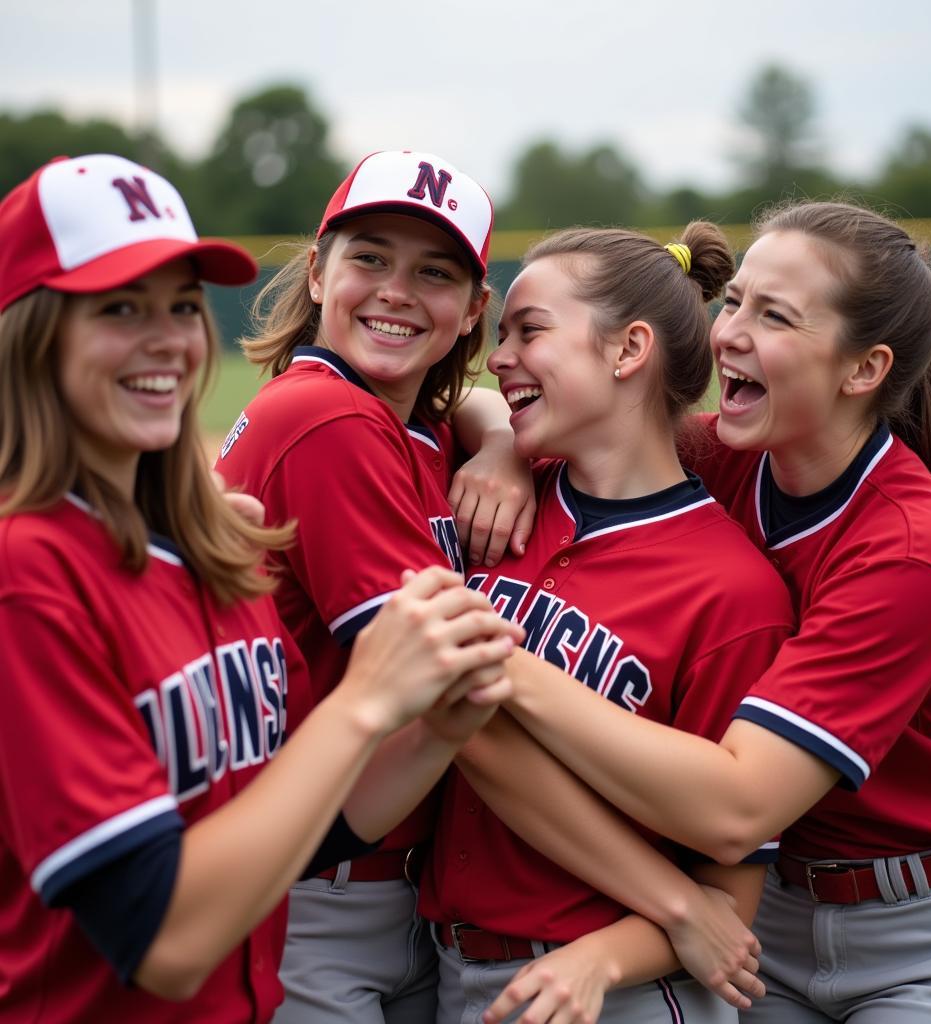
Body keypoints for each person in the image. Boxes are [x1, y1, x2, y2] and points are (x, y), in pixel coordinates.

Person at [0, 153, 522, 1024]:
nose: (166, 338)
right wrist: (365, 702)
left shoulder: (220, 544)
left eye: (179, 307)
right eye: (120, 310)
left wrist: (434, 734)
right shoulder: (29, 577)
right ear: (32, 335)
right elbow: (163, 941)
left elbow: (307, 821)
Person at [486, 201, 931, 1023]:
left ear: (863, 369)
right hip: (761, 925)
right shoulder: (728, 456)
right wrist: (496, 447)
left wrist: (495, 661)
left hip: (926, 940)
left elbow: (736, 808)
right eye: (734, 300)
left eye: (773, 315)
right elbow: (557, 416)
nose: (728, 331)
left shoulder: (914, 551)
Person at [417, 224, 797, 1023]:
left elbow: (729, 899)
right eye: (501, 334)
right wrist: (497, 447)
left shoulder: (734, 593)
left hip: (614, 991)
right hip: (448, 969)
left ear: (628, 351)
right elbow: (457, 402)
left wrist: (601, 959)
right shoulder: (496, 503)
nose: (499, 357)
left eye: (531, 330)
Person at [214, 149, 535, 1024]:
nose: (397, 290)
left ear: (472, 310)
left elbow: (457, 413)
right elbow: (452, 697)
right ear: (317, 273)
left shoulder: (412, 431)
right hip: (316, 893)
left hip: (389, 891)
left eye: (433, 272)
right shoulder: (327, 419)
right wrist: (664, 897)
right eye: (370, 258)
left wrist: (500, 437)